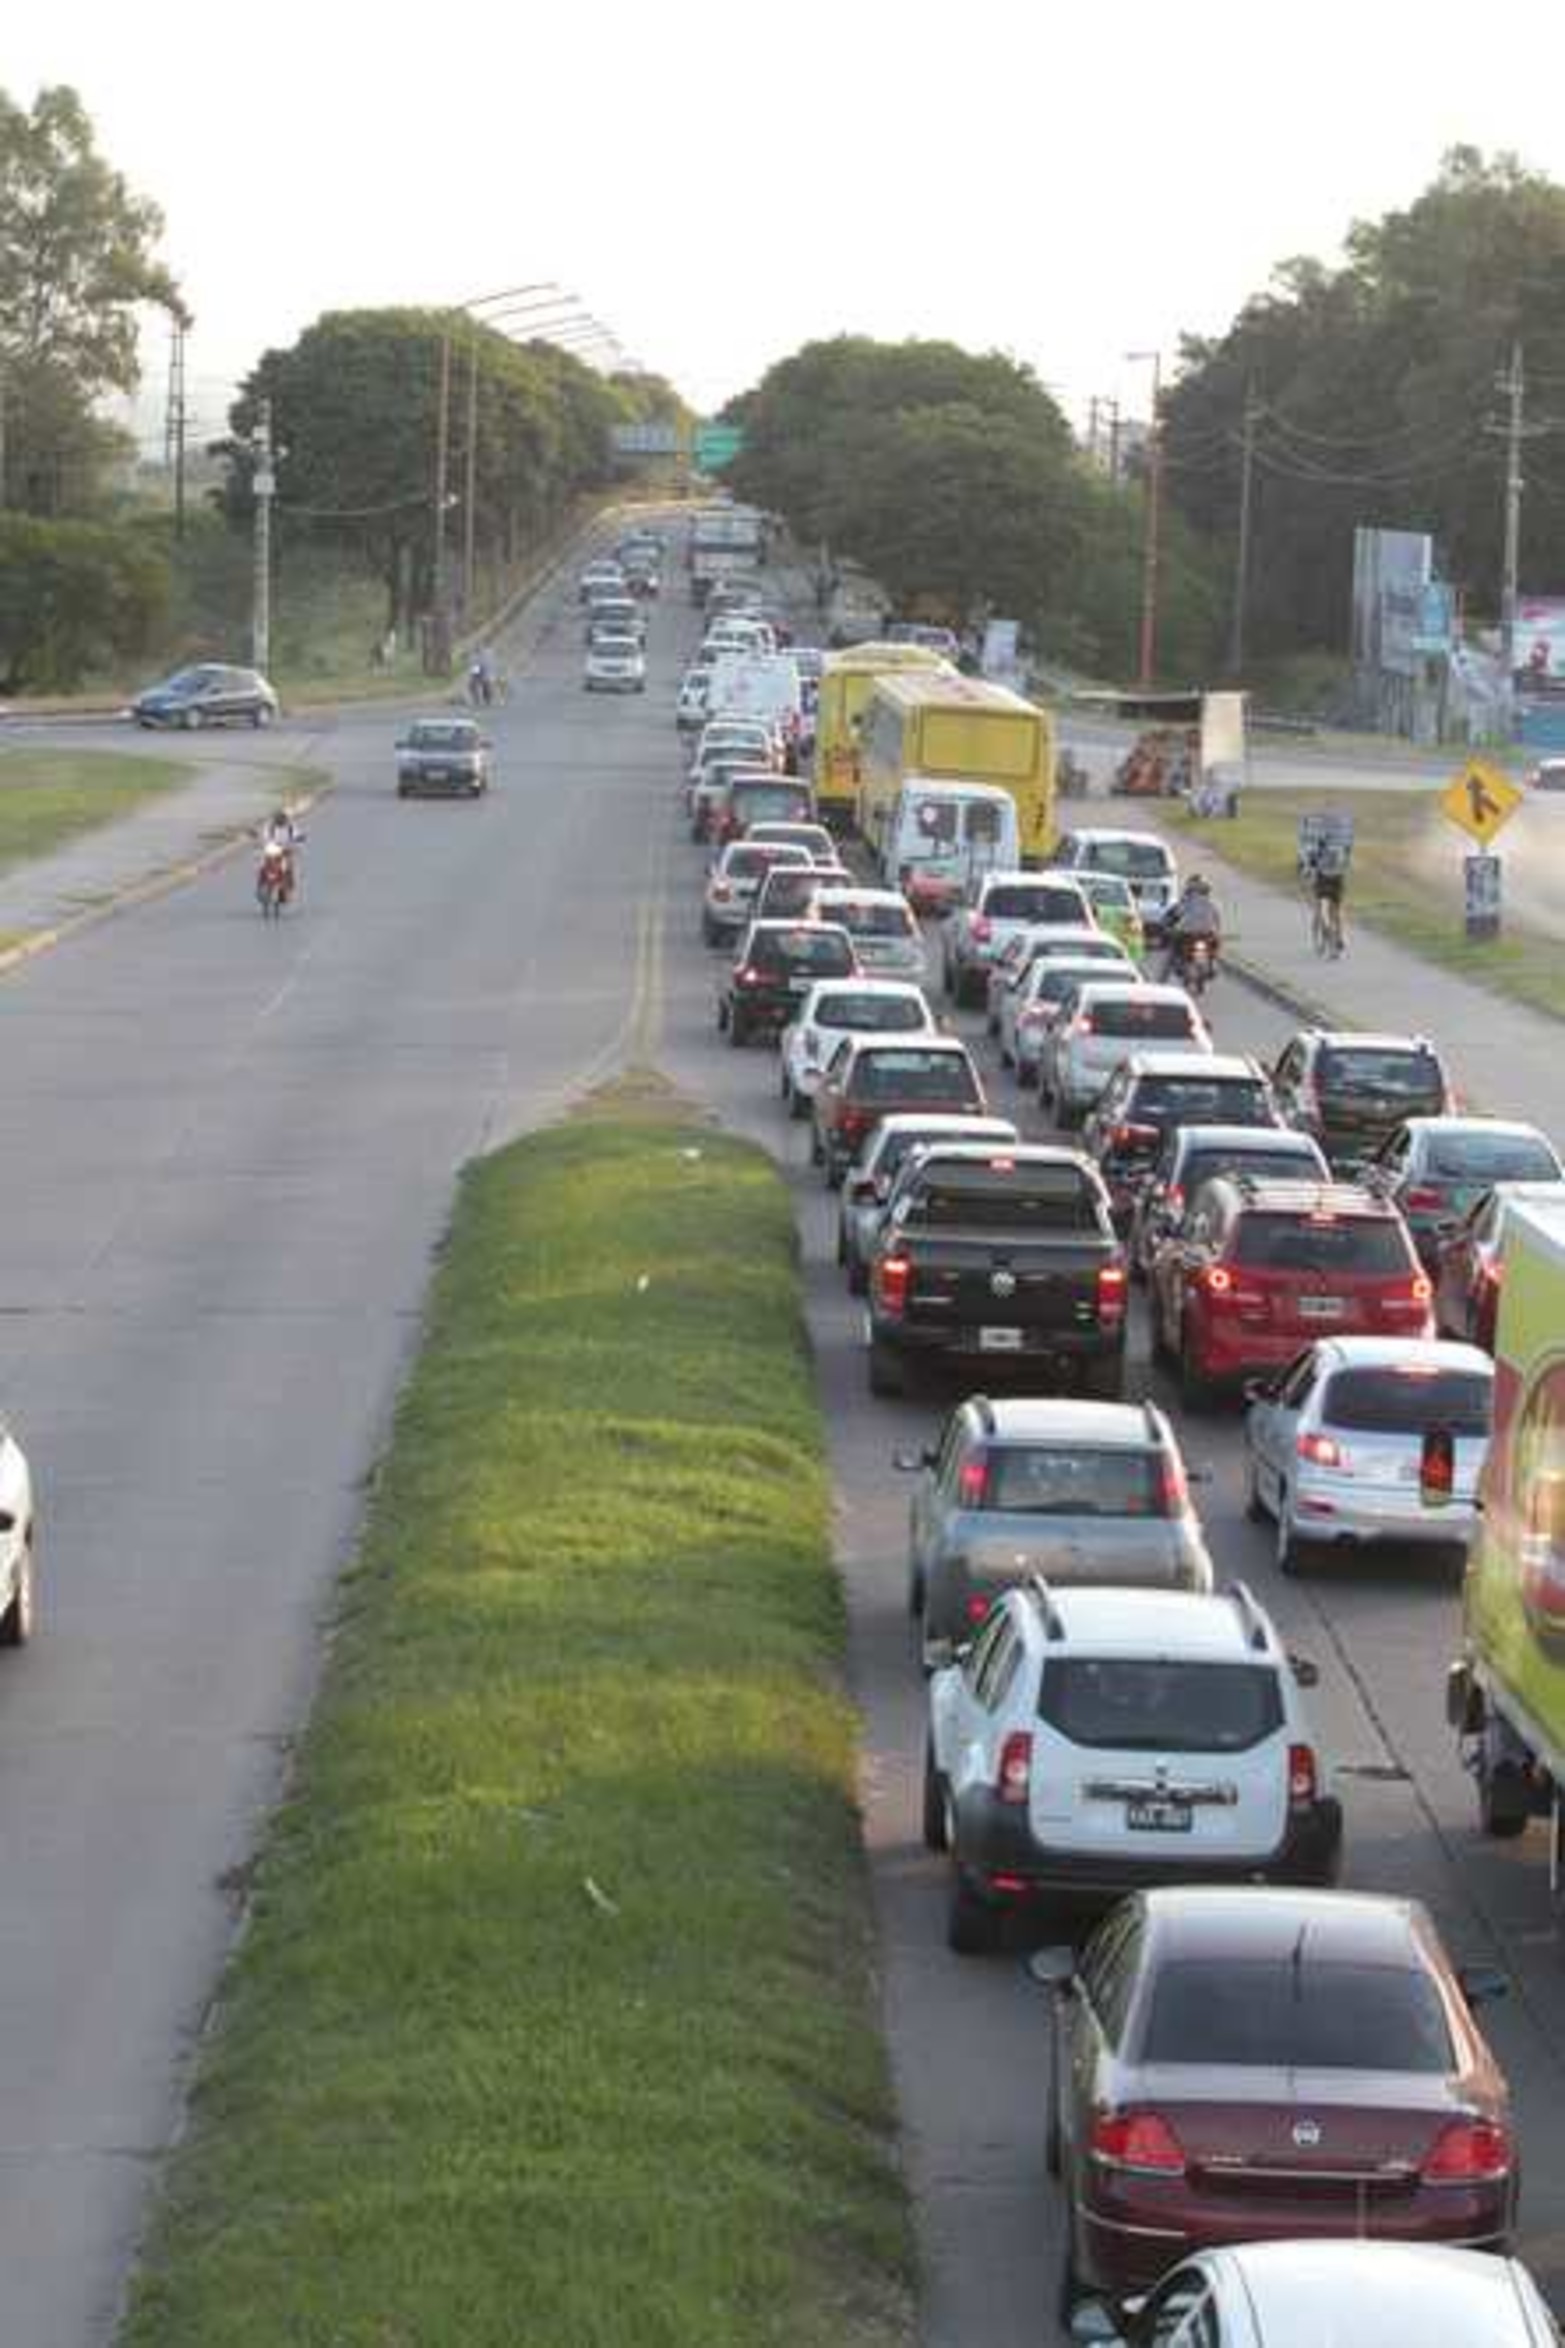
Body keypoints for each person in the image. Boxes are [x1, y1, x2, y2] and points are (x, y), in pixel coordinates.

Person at [1163, 873, 1221, 980]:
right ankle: (1212, 963)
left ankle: (1171, 968)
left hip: (1188, 933)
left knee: (1174, 943)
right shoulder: (1213, 903)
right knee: (1215, 943)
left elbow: (1176, 913)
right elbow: (1217, 919)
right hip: (1207, 933)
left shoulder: (1188, 901)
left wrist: (1169, 925)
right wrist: (1216, 932)